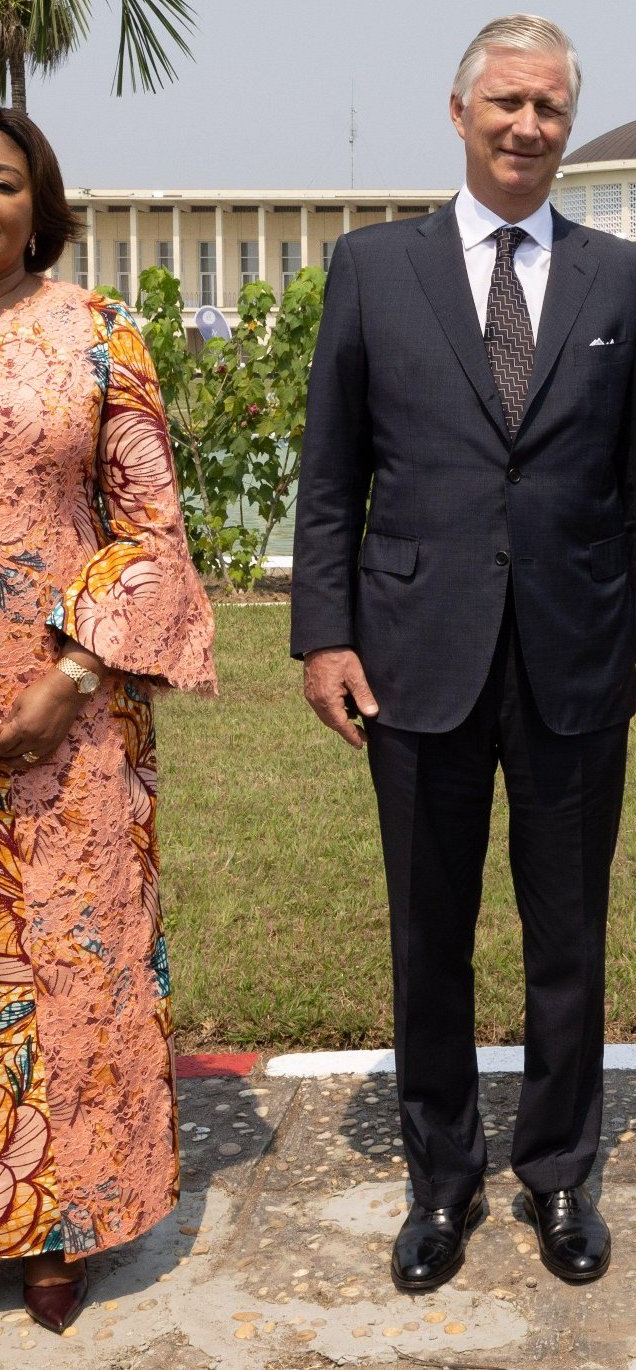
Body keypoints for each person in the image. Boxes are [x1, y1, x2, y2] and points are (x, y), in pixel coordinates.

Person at [291, 15, 636, 1293]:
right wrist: (325, 636)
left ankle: (561, 1176)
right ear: (457, 111)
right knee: (431, 932)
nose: (529, 126)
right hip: (418, 658)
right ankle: (441, 1181)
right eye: (508, 102)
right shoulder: (373, 271)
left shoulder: (619, 279)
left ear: (570, 125)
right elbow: (331, 476)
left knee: (568, 935)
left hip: (575, 661)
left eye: (552, 108)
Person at [0, 110, 216, 1333]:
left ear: (42, 204)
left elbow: (151, 535)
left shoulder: (98, 337)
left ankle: (61, 1224)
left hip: (68, 716)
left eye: (1, 183)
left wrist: (71, 680)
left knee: (70, 965)